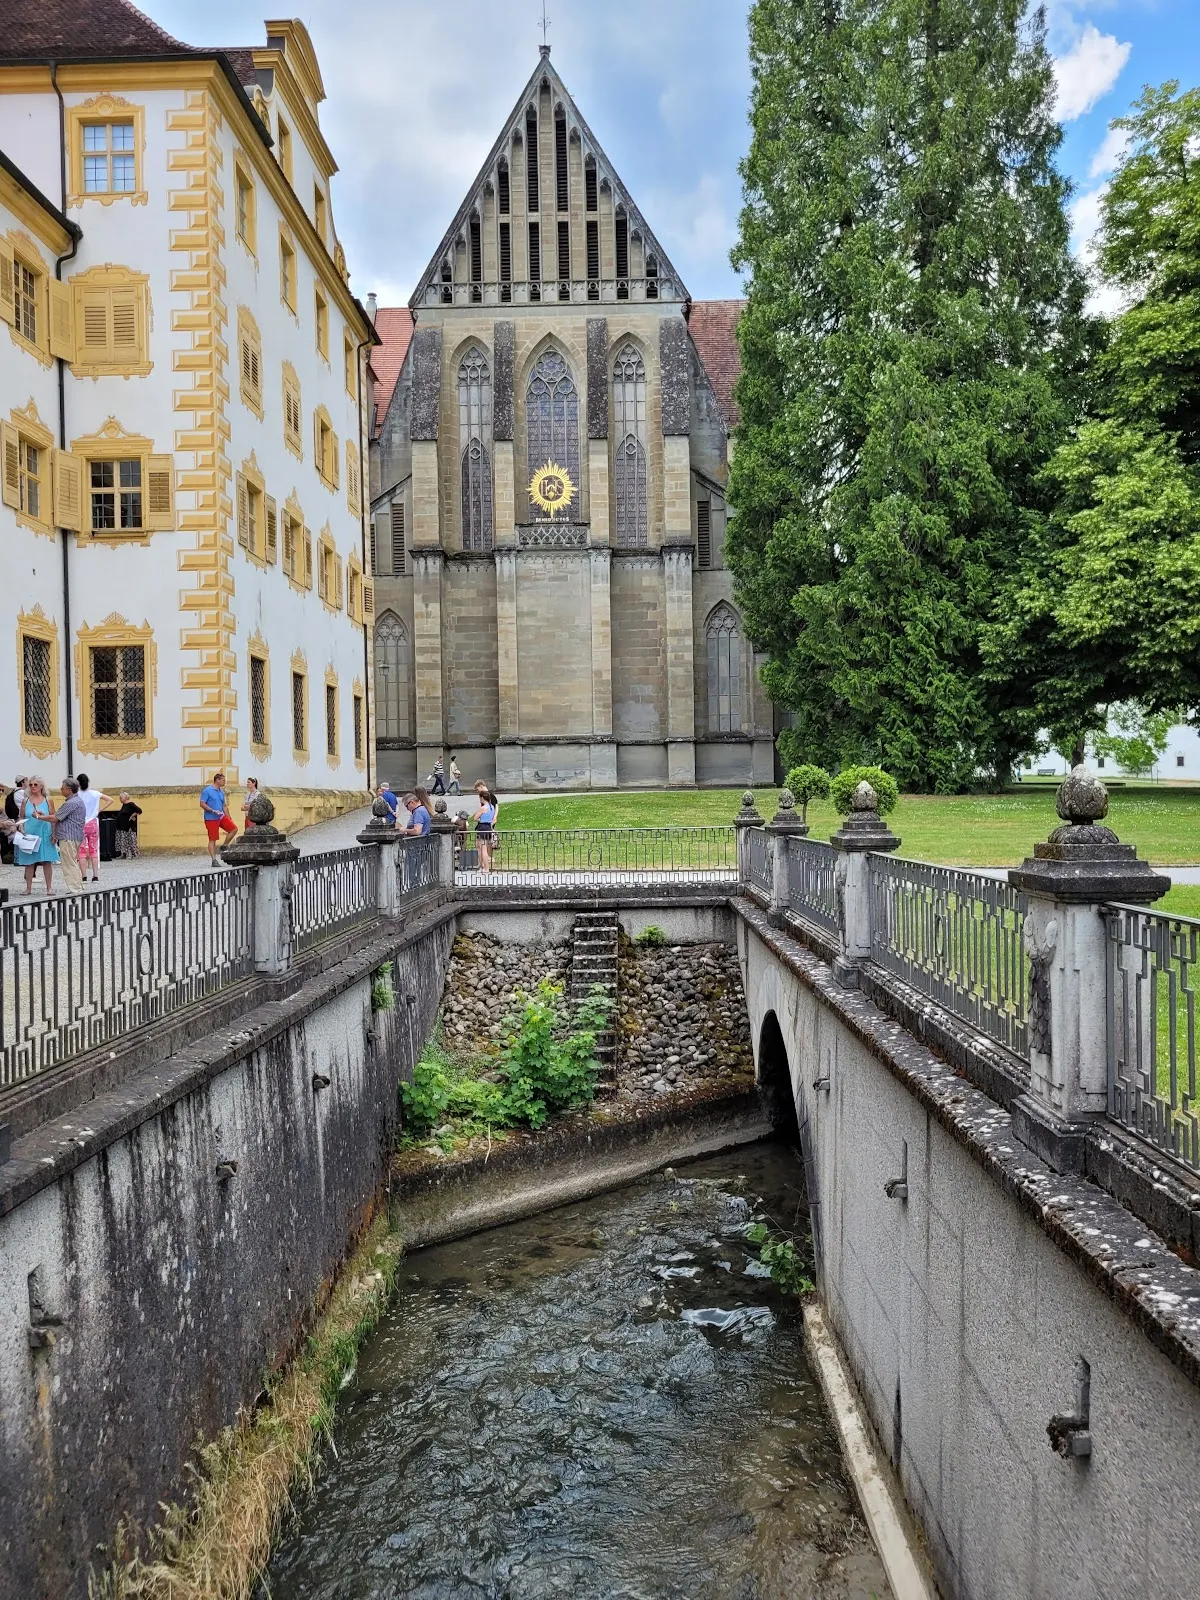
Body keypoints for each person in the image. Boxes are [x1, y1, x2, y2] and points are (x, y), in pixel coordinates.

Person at [14, 776, 58, 894]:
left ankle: (49, 888)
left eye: (35, 784)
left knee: (46, 861)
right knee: (29, 862)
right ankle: (28, 888)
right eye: (31, 784)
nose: (33, 786)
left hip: (45, 833)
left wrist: (54, 834)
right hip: (30, 834)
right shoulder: (25, 801)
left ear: (41, 786)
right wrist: (21, 829)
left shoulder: (48, 800)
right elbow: (21, 817)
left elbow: (53, 818)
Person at [76, 773, 115, 884]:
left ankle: (84, 876)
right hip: (93, 822)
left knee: (81, 851)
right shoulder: (95, 793)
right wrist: (99, 809)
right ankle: (95, 876)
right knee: (94, 849)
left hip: (80, 823)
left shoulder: (77, 794)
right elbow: (110, 800)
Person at [52, 778, 87, 894]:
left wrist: (39, 817)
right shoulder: (77, 801)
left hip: (68, 837)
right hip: (74, 836)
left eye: (62, 788)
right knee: (72, 862)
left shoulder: (71, 803)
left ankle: (75, 888)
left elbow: (56, 818)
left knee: (69, 863)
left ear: (69, 790)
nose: (60, 790)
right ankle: (78, 886)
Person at [199, 772, 237, 865]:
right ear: (217, 780)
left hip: (221, 817)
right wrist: (212, 810)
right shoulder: (207, 791)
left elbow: (224, 806)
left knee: (234, 829)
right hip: (211, 818)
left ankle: (224, 845)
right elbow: (202, 804)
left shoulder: (221, 792)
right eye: (223, 780)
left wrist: (229, 817)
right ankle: (214, 860)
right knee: (213, 839)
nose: (225, 782)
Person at [473, 786, 498, 873]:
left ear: (483, 798)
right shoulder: (492, 807)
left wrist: (480, 819)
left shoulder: (483, 808)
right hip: (488, 827)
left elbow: (475, 817)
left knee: (483, 849)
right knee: (482, 847)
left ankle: (485, 868)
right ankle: (482, 866)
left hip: (482, 827)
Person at [114, 793, 142, 858]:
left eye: (121, 798)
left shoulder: (131, 804)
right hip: (121, 827)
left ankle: (130, 854)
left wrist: (132, 815)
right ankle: (123, 854)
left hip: (128, 827)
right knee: (122, 841)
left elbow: (139, 810)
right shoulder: (124, 805)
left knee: (128, 841)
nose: (120, 799)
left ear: (125, 798)